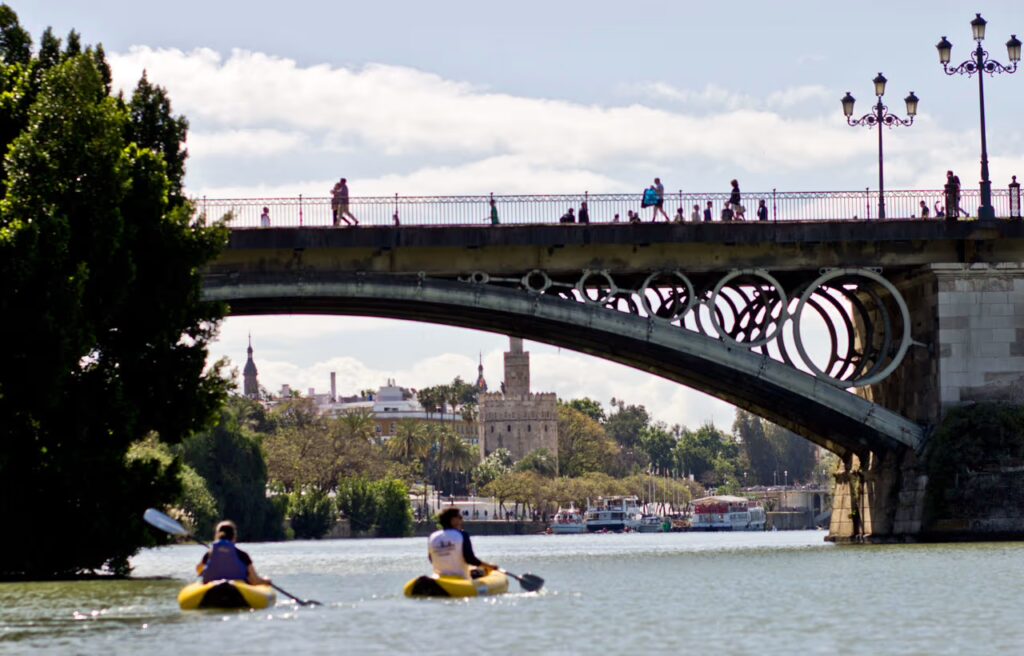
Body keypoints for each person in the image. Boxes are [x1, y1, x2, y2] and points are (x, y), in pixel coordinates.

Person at [428, 507, 499, 580]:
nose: (462, 520)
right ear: (453, 520)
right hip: (461, 579)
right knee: (480, 572)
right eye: (460, 517)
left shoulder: (433, 537)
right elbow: (470, 559)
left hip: (439, 579)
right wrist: (489, 566)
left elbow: (431, 559)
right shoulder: (462, 535)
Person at [197, 520, 271, 586]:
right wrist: (266, 581)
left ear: (217, 536)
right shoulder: (242, 555)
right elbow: (254, 580)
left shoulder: (209, 554)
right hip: (238, 591)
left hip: (212, 590)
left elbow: (199, 569)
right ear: (234, 536)